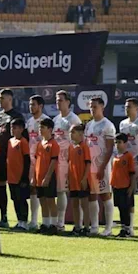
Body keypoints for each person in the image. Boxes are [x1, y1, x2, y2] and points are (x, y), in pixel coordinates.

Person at [85, 97, 116, 236]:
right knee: (92, 196)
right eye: (90, 106)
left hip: (102, 166)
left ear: (102, 107)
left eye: (95, 106)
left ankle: (108, 228)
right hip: (90, 166)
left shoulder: (107, 125)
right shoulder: (89, 125)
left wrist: (103, 167)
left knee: (105, 195)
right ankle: (94, 227)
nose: (92, 109)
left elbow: (109, 149)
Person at [53, 90, 82, 232]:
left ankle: (75, 224)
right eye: (57, 100)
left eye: (60, 100)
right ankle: (59, 223)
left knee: (67, 191)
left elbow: (78, 141)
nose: (58, 102)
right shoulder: (55, 120)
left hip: (70, 159)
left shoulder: (74, 119)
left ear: (68, 102)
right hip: (57, 159)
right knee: (59, 190)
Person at [0, 89, 25, 227]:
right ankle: (4, 217)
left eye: (2, 98)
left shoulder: (17, 115)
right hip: (0, 157)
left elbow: (22, 138)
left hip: (13, 157)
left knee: (15, 188)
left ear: (10, 99)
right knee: (1, 187)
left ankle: (22, 219)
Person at [26, 95, 50, 230]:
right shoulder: (29, 122)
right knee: (33, 189)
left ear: (40, 106)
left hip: (43, 160)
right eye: (30, 104)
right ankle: (34, 221)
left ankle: (50, 221)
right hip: (31, 160)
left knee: (45, 191)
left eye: (33, 104)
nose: (31, 107)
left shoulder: (46, 121)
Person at [32, 118, 60, 234]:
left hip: (49, 177)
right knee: (42, 201)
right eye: (39, 127)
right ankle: (45, 224)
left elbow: (54, 162)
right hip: (39, 177)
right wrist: (34, 176)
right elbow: (36, 161)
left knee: (50, 201)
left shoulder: (54, 144)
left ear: (50, 129)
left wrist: (47, 177)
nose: (40, 130)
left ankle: (54, 225)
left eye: (42, 127)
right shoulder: (39, 144)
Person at [67, 124, 92, 235]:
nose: (70, 134)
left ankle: (86, 227)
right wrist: (68, 178)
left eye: (73, 132)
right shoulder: (71, 147)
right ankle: (77, 226)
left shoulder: (84, 147)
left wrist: (84, 178)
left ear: (80, 134)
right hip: (73, 181)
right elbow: (69, 163)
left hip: (81, 180)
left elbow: (88, 163)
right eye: (70, 132)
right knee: (74, 204)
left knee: (84, 205)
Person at [110, 133, 136, 239]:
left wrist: (131, 187)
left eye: (120, 142)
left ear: (125, 143)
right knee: (120, 208)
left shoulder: (128, 156)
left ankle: (128, 228)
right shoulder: (115, 157)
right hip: (117, 186)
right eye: (116, 142)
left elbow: (132, 173)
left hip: (125, 186)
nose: (117, 145)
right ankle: (123, 228)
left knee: (126, 208)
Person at [7, 118, 31, 231]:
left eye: (15, 127)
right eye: (12, 127)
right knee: (15, 199)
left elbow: (27, 161)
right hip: (11, 177)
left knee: (22, 200)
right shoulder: (10, 141)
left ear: (21, 129)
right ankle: (19, 221)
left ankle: (24, 222)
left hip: (19, 177)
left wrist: (24, 177)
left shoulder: (23, 142)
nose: (13, 130)